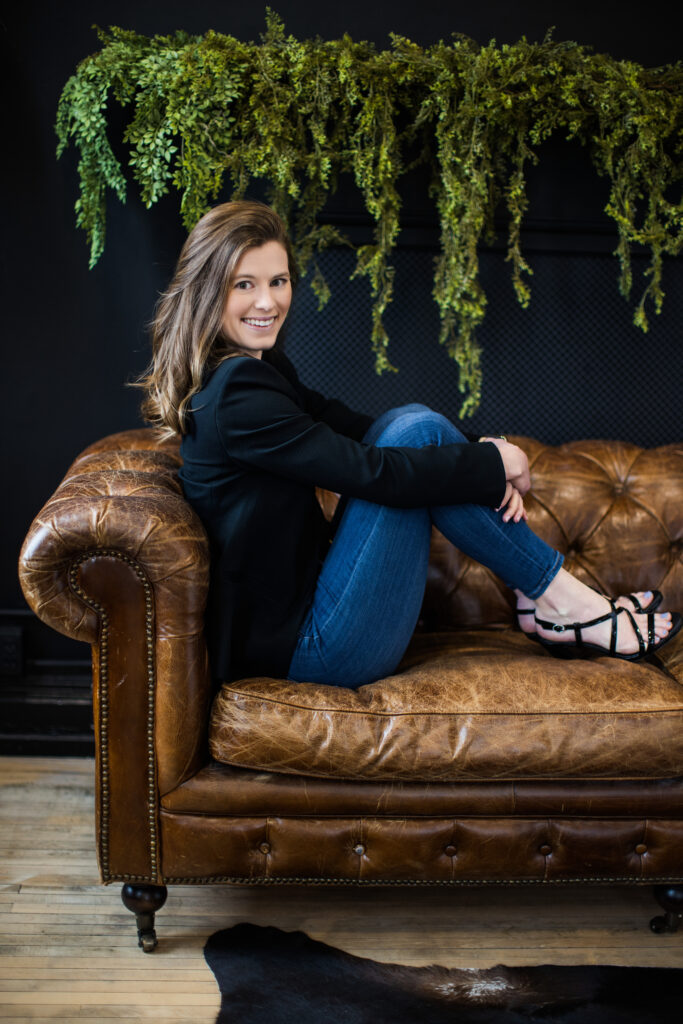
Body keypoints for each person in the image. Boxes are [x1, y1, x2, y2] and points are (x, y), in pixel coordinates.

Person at [138, 200, 680, 688]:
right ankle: (561, 600)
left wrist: (481, 447)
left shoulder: (251, 368)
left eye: (278, 281)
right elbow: (371, 471)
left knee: (412, 424)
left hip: (312, 610)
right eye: (244, 284)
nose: (268, 302)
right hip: (308, 651)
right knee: (414, 436)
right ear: (210, 291)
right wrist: (490, 463)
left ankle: (554, 600)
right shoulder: (237, 395)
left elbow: (350, 424)